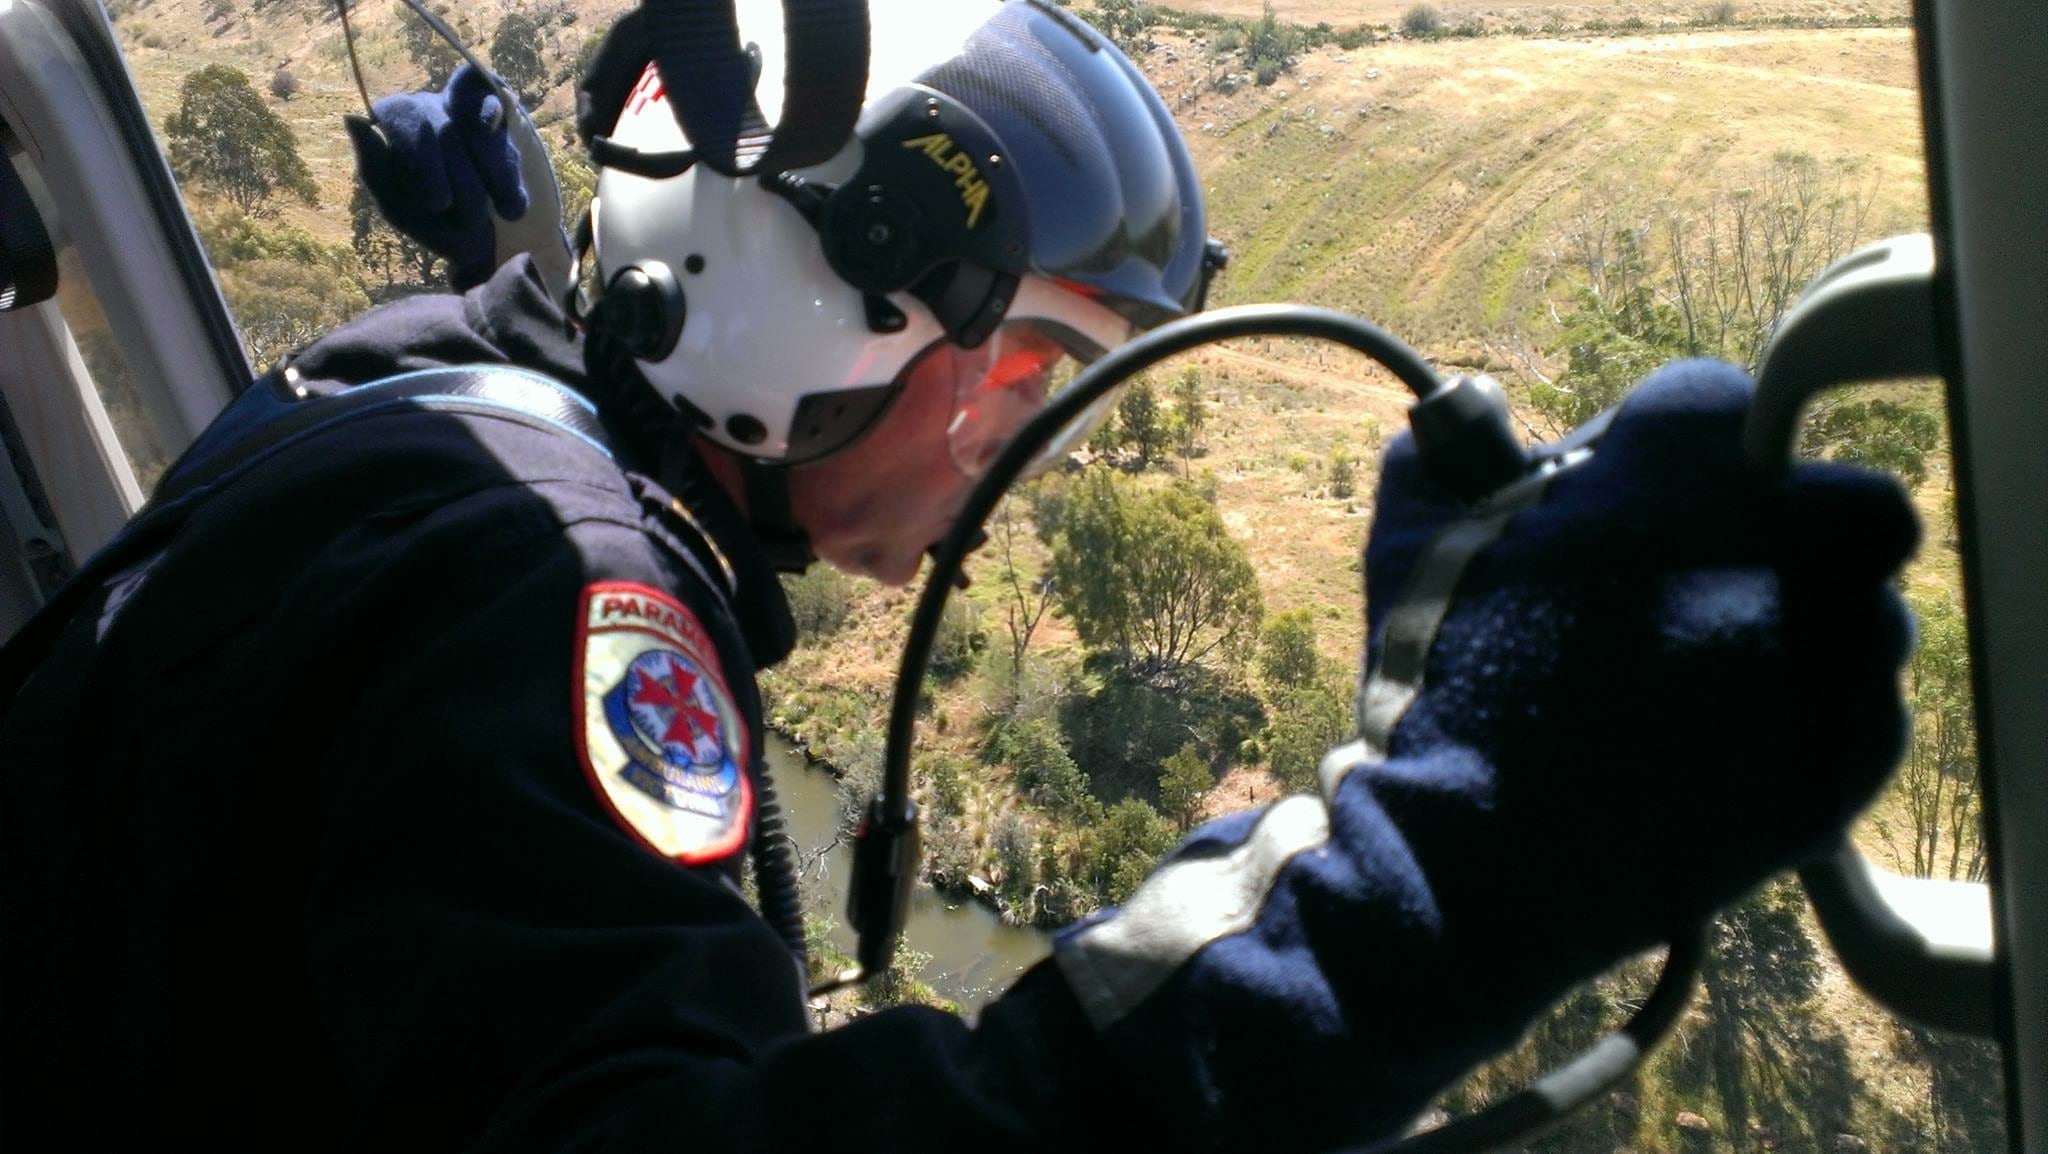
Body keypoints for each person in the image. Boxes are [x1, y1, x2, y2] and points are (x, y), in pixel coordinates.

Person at [0, 1, 1918, 1151]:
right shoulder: (545, 580)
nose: (1027, 448)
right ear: (784, 299)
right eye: (1028, 371)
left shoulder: (415, 396)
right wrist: (1430, 874)